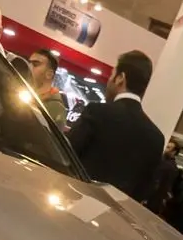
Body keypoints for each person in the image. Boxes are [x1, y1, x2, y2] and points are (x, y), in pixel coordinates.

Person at [66, 50, 163, 201]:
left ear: (120, 78)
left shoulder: (97, 112)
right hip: (115, 213)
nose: (109, 81)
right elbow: (144, 191)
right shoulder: (156, 138)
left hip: (76, 200)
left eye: (112, 74)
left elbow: (67, 155)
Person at [28, 49, 67, 128]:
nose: (29, 67)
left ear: (49, 74)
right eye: (29, 63)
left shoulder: (57, 109)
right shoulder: (20, 94)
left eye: (35, 64)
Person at [145, 139, 181, 214]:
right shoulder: (172, 166)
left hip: (151, 200)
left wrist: (145, 197)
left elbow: (156, 183)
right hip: (156, 201)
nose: (165, 149)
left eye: (168, 148)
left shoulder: (167, 165)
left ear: (174, 152)